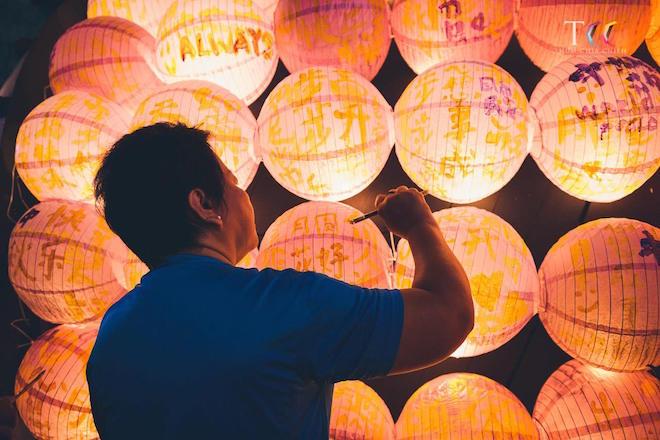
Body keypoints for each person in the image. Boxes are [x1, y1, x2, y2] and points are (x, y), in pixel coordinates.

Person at [87, 122, 473, 439]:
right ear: (204, 205)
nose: (243, 195)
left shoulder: (110, 339)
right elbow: (450, 315)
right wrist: (420, 225)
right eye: (233, 182)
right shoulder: (282, 305)